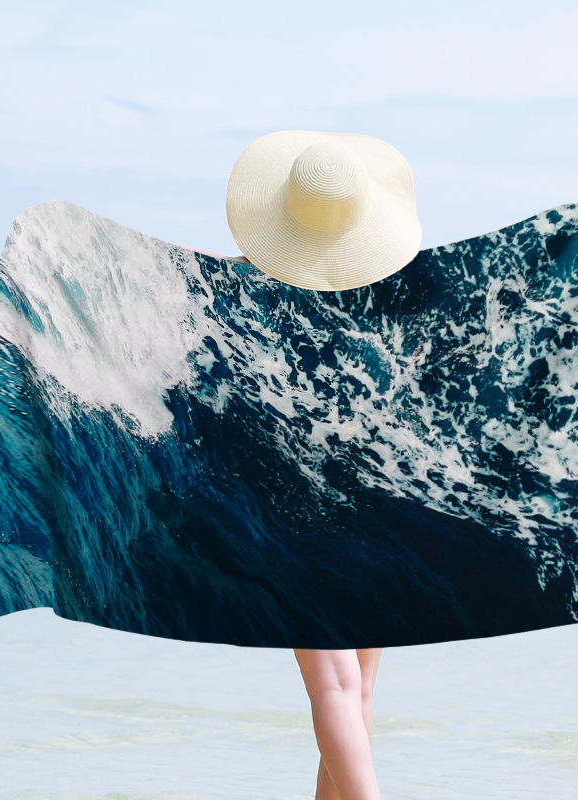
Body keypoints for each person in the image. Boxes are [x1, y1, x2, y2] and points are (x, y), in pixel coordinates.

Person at [204, 129, 422, 799]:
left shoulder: (243, 289)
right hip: (386, 489)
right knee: (361, 687)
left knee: (333, 682)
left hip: (297, 499)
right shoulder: (396, 295)